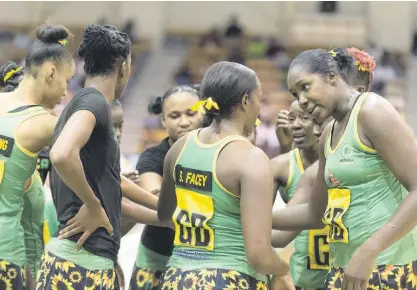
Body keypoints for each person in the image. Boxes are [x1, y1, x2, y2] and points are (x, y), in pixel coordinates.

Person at [272, 47, 417, 290]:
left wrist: (368, 251)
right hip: (343, 270)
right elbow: (314, 213)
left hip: (386, 266)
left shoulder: (371, 110)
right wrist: (246, 213)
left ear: (331, 76)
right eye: (296, 95)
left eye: (305, 87)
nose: (302, 101)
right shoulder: (329, 133)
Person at [157, 61, 291, 289]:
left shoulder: (180, 148)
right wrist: (283, 269)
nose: (260, 106)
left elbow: (164, 215)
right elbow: (259, 255)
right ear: (246, 101)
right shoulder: (250, 158)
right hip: (229, 279)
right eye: (259, 98)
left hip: (177, 277)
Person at [37, 24, 132, 290]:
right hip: (81, 264)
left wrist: (161, 213)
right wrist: (92, 205)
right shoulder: (95, 102)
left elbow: (113, 190)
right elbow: (61, 154)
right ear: (124, 67)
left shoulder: (80, 103)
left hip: (74, 261)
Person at [0, 23, 75, 290]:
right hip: (5, 253)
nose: (66, 92)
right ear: (51, 73)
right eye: (67, 81)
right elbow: (88, 163)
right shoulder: (45, 123)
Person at [128, 85, 204, 290]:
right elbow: (156, 200)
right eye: (175, 115)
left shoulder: (217, 152)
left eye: (191, 113)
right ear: (163, 120)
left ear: (204, 113)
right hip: (156, 258)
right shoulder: (153, 157)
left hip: (203, 261)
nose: (184, 122)